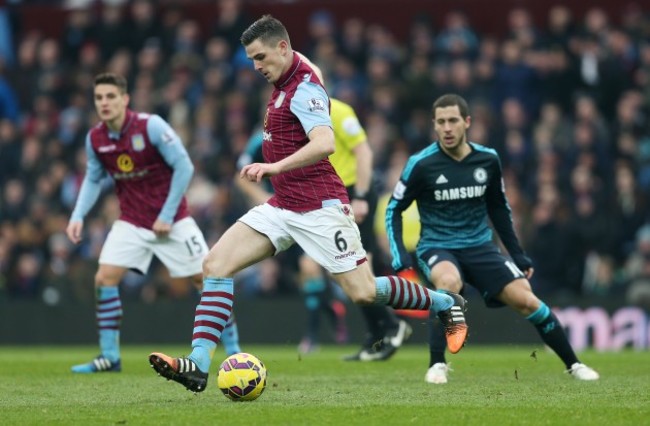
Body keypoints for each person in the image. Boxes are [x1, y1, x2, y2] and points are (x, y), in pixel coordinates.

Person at [148, 15, 467, 393]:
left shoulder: (304, 90)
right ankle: (198, 365)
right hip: (284, 205)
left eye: (261, 57)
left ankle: (445, 301)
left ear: (283, 49)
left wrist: (273, 166)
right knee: (216, 263)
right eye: (252, 58)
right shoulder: (290, 72)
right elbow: (304, 63)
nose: (256, 67)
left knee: (363, 292)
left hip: (321, 206)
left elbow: (324, 143)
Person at [385, 93, 600, 384]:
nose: (447, 128)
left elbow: (499, 209)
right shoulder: (421, 164)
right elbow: (394, 208)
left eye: (453, 121)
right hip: (438, 245)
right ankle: (437, 364)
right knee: (449, 284)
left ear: (467, 122)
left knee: (527, 301)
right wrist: (400, 257)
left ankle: (574, 364)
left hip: (480, 246)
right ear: (434, 126)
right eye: (441, 122)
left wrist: (517, 254)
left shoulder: (487, 160)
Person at [66, 72, 240, 373]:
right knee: (104, 278)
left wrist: (166, 213)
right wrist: (78, 214)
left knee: (208, 280)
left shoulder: (150, 126)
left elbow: (184, 167)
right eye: (99, 98)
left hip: (173, 221)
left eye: (110, 96)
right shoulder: (96, 138)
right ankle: (110, 356)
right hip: (132, 221)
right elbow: (93, 179)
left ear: (125, 99)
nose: (104, 103)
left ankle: (235, 352)